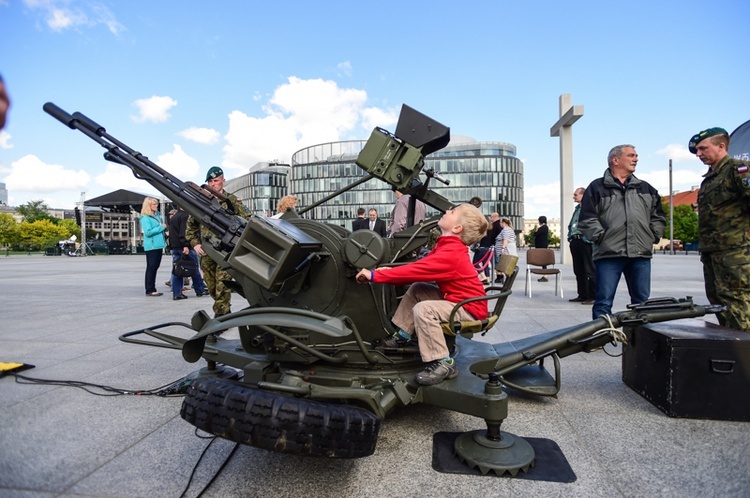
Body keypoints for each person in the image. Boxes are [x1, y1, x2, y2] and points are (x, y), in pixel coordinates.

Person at [355, 203, 489, 385]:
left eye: (452, 211)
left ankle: (443, 362)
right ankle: (402, 336)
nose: (447, 211)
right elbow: (417, 268)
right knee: (419, 288)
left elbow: (416, 270)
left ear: (457, 228)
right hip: (460, 301)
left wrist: (374, 275)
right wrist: (387, 271)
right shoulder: (448, 247)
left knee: (424, 309)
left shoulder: (451, 253)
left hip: (468, 308)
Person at [579, 144, 666, 319]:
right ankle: (601, 337)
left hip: (640, 254)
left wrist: (652, 236)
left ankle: (640, 342)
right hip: (609, 254)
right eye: (631, 155)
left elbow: (658, 217)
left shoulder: (646, 188)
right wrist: (602, 237)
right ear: (615, 160)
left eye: (636, 155)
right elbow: (587, 218)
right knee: (603, 301)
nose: (636, 158)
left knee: (642, 301)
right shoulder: (597, 187)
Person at [689, 127, 750, 332]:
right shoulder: (710, 178)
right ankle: (732, 349)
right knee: (719, 301)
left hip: (736, 251)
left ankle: (744, 352)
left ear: (721, 146)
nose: (698, 154)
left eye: (703, 149)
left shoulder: (739, 169)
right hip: (712, 251)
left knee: (737, 299)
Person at [187, 166, 252, 317]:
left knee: (222, 284)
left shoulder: (231, 201)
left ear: (223, 181)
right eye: (210, 181)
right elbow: (191, 226)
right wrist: (195, 243)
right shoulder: (202, 201)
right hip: (207, 250)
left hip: (226, 251)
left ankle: (221, 315)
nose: (213, 184)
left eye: (216, 180)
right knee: (211, 285)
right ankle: (224, 309)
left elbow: (248, 218)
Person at [168, 206, 209, 301]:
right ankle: (200, 289)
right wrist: (185, 245)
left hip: (175, 247)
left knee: (177, 270)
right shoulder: (185, 216)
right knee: (194, 267)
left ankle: (177, 293)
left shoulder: (175, 216)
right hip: (185, 247)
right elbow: (184, 233)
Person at [567, 187, 596, 304]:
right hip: (575, 241)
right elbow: (571, 225)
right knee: (578, 270)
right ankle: (582, 294)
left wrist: (586, 238)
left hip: (585, 241)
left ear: (583, 195)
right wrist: (570, 237)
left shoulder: (589, 207)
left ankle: (592, 295)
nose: (574, 196)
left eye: (576, 195)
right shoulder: (577, 209)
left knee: (589, 269)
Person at [140, 197, 167, 297]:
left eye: (156, 204)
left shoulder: (157, 216)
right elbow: (148, 232)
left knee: (154, 267)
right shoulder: (146, 218)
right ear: (149, 206)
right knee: (151, 267)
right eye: (154, 204)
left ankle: (152, 288)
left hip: (158, 245)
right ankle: (150, 289)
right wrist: (161, 227)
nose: (156, 206)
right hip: (152, 246)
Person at [472, 214, 499, 284]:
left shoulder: (482, 229)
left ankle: (483, 277)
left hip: (482, 248)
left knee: (475, 263)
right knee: (485, 263)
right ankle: (487, 278)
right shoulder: (491, 229)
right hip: (489, 248)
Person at [535, 215, 550, 282]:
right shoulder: (544, 227)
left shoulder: (544, 227)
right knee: (543, 262)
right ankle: (544, 274)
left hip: (542, 246)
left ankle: (545, 275)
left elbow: (537, 234)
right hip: (542, 246)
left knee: (543, 262)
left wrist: (535, 232)